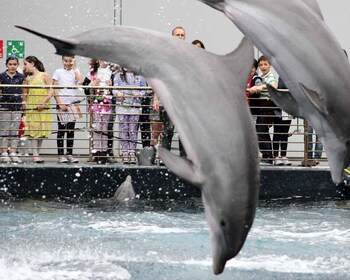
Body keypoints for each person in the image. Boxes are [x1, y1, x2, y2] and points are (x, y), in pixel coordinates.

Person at [22, 56, 53, 163]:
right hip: (32, 107)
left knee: (41, 132)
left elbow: (51, 91)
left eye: (26, 64)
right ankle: (35, 154)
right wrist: (25, 107)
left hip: (43, 107)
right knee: (34, 131)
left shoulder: (44, 75)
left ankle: (37, 153)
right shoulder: (28, 79)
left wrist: (43, 102)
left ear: (33, 63)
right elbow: (25, 94)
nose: (24, 66)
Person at [248, 55, 278, 165]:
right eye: (261, 65)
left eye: (265, 64)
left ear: (270, 65)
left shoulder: (270, 76)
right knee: (261, 131)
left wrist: (260, 87)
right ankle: (266, 156)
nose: (263, 66)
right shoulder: (264, 77)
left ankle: (268, 157)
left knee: (262, 131)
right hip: (262, 107)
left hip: (267, 107)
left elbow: (274, 86)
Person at [52, 55, 82, 163]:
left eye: (70, 61)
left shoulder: (75, 71)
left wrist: (75, 68)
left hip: (72, 105)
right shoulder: (58, 71)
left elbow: (80, 81)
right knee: (61, 130)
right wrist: (59, 103)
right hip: (62, 104)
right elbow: (54, 89)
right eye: (65, 61)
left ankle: (69, 153)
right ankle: (61, 155)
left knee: (70, 130)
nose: (68, 63)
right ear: (62, 61)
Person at [113, 68, 146, 164]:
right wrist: (118, 93)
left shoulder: (140, 75)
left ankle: (132, 152)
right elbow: (114, 89)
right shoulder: (118, 75)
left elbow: (145, 90)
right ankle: (125, 152)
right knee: (123, 128)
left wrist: (140, 93)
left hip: (135, 106)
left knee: (133, 129)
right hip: (122, 106)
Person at [83, 59, 113, 164]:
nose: (104, 61)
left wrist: (111, 85)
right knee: (96, 128)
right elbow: (85, 88)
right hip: (95, 104)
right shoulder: (91, 73)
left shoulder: (111, 73)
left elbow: (114, 90)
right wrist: (92, 84)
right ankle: (97, 152)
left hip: (107, 104)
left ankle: (104, 152)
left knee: (104, 128)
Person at [0, 56, 25, 163]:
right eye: (10, 64)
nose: (12, 66)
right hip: (5, 106)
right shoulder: (1, 76)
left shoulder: (21, 77)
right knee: (5, 129)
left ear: (17, 65)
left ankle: (13, 152)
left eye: (14, 64)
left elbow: (24, 92)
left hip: (17, 106)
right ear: (6, 65)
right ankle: (4, 152)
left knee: (15, 129)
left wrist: (24, 106)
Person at [272, 78, 292, 166]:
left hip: (288, 110)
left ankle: (284, 156)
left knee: (285, 134)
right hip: (278, 110)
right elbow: (282, 87)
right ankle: (276, 156)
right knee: (277, 133)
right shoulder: (281, 78)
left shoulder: (292, 77)